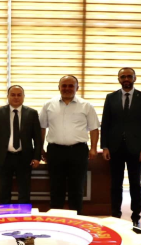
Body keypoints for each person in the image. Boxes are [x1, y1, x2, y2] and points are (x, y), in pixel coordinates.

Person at [39, 75, 100, 215]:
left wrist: (93, 148)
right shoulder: (48, 105)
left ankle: (76, 219)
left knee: (76, 188)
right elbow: (42, 128)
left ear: (77, 88)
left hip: (78, 151)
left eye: (71, 86)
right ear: (59, 87)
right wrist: (40, 148)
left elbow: (94, 129)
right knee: (56, 188)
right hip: (55, 151)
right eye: (64, 86)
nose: (67, 88)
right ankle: (56, 219)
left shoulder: (86, 106)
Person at [101, 68, 141, 227]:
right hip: (115, 148)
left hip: (136, 149)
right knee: (115, 184)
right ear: (118, 79)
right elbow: (105, 124)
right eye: (123, 76)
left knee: (135, 184)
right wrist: (104, 146)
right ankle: (115, 214)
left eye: (129, 76)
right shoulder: (111, 98)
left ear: (134, 78)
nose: (126, 79)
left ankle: (136, 216)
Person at [0, 85, 42, 204]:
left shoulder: (32, 113)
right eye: (13, 95)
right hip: (4, 157)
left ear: (23, 97)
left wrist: (37, 157)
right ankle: (4, 214)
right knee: (4, 190)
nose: (16, 97)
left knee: (24, 190)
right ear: (8, 96)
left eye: (19, 95)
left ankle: (23, 214)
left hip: (25, 157)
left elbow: (37, 138)